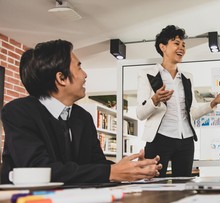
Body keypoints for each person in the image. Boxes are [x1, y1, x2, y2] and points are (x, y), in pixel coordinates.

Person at [1, 39, 162, 184]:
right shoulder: (18, 112)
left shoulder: (82, 117)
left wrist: (134, 170)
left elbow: (96, 165)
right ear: (61, 78)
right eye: (79, 67)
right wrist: (112, 172)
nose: (85, 75)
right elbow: (39, 170)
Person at [136, 25, 220, 177]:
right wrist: (155, 99)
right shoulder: (147, 75)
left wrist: (214, 102)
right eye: (176, 43)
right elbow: (140, 114)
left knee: (184, 186)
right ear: (163, 47)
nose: (181, 48)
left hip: (186, 140)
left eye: (183, 45)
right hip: (159, 138)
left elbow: (192, 113)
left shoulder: (187, 77)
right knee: (152, 184)